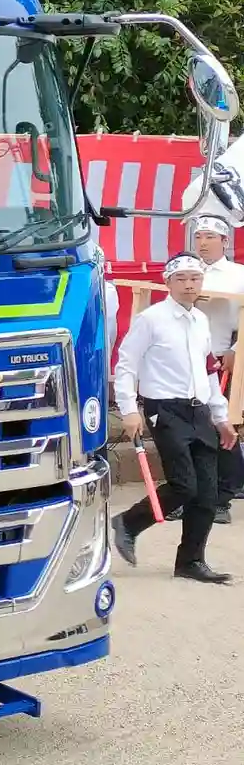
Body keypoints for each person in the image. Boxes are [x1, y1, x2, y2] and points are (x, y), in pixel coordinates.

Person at [111, 252, 239, 583]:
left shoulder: (200, 320)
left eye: (195, 278)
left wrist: (220, 416)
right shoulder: (151, 319)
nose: (188, 285)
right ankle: (129, 522)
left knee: (207, 494)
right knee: (184, 485)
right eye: (181, 278)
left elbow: (209, 372)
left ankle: (190, 561)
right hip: (165, 409)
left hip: (199, 410)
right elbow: (126, 365)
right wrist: (128, 409)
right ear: (167, 282)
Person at [190, 214, 244, 523]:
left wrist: (236, 350)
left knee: (220, 425)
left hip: (222, 358)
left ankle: (223, 498)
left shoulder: (238, 274)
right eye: (199, 236)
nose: (203, 243)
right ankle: (195, 494)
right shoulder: (188, 271)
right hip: (187, 359)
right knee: (192, 430)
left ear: (225, 241)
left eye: (210, 237)